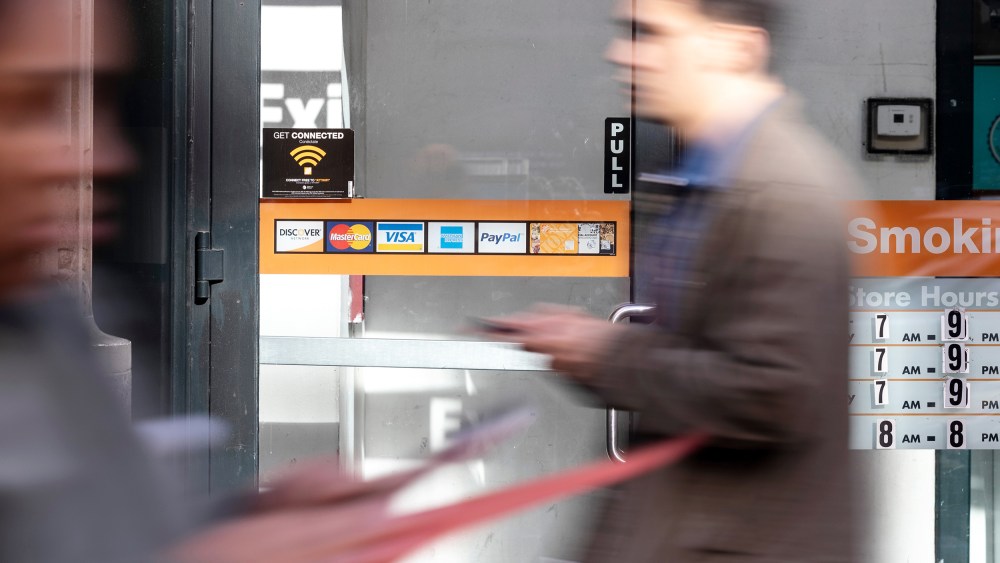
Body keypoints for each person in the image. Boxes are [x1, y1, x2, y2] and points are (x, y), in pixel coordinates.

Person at [487, 0, 862, 561]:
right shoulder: (710, 180)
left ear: (738, 48)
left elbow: (772, 394)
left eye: (650, 34)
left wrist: (606, 352)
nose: (623, 54)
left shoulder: (785, 192)